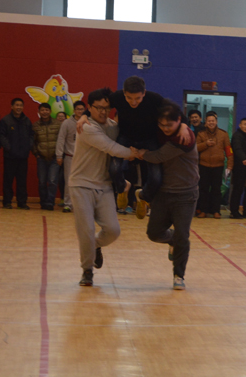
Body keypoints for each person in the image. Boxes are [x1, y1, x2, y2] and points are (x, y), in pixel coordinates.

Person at [76, 76, 192, 219]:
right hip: (126, 137)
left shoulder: (154, 98)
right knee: (114, 169)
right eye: (129, 98)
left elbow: (175, 110)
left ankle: (143, 197)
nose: (133, 102)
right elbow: (98, 105)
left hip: (149, 139)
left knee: (156, 177)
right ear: (124, 93)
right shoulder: (117, 97)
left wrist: (184, 125)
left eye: (138, 98)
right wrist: (84, 115)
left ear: (144, 93)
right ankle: (122, 187)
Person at [69, 88, 136, 287]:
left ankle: (95, 246)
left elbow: (126, 134)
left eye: (106, 108)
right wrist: (135, 154)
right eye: (98, 108)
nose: (103, 112)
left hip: (104, 185)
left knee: (113, 230)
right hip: (81, 184)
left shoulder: (113, 126)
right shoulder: (86, 127)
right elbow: (111, 147)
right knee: (86, 230)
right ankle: (87, 270)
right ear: (89, 108)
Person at [136, 101, 199, 290]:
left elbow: (158, 156)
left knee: (182, 236)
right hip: (163, 193)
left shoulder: (184, 137)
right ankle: (172, 239)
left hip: (185, 195)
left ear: (179, 120)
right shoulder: (163, 132)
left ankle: (179, 275)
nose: (164, 128)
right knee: (154, 233)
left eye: (168, 125)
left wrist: (141, 154)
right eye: (161, 124)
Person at [195, 111, 233, 219]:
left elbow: (229, 150)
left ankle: (216, 211)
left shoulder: (223, 134)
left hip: (218, 165)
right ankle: (203, 210)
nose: (211, 123)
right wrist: (206, 144)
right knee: (203, 189)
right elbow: (195, 148)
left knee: (216, 189)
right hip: (204, 165)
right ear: (206, 122)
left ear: (216, 122)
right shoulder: (201, 134)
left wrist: (230, 165)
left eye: (213, 121)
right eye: (209, 121)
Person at [0, 97, 33, 209]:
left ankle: (22, 202)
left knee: (22, 181)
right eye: (17, 105)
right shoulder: (6, 120)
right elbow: (1, 136)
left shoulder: (27, 121)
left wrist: (28, 146)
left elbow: (31, 136)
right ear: (12, 106)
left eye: (21, 105)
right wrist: (8, 148)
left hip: (23, 156)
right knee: (8, 180)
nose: (19, 107)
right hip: (10, 156)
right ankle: (7, 201)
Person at [56, 100, 86, 213]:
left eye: (82, 109)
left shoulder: (88, 122)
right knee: (69, 181)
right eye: (78, 109)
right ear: (74, 110)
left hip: (84, 158)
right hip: (70, 156)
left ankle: (81, 205)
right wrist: (59, 155)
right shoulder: (67, 123)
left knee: (83, 181)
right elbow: (61, 139)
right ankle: (68, 204)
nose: (80, 111)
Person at [32, 102, 62, 211]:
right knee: (42, 182)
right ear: (39, 112)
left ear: (50, 111)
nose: (44, 112)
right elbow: (33, 142)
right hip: (41, 158)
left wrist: (59, 154)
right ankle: (43, 202)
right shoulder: (35, 125)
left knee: (53, 181)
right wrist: (36, 153)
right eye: (42, 110)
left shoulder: (58, 124)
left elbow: (61, 140)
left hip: (54, 158)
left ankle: (50, 202)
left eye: (46, 110)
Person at [229, 118, 246, 219]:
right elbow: (237, 148)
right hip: (238, 166)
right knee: (237, 189)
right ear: (240, 125)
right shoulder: (237, 136)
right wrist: (244, 158)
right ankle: (234, 211)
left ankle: (235, 210)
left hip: (243, 166)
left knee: (239, 189)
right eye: (245, 124)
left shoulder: (245, 136)